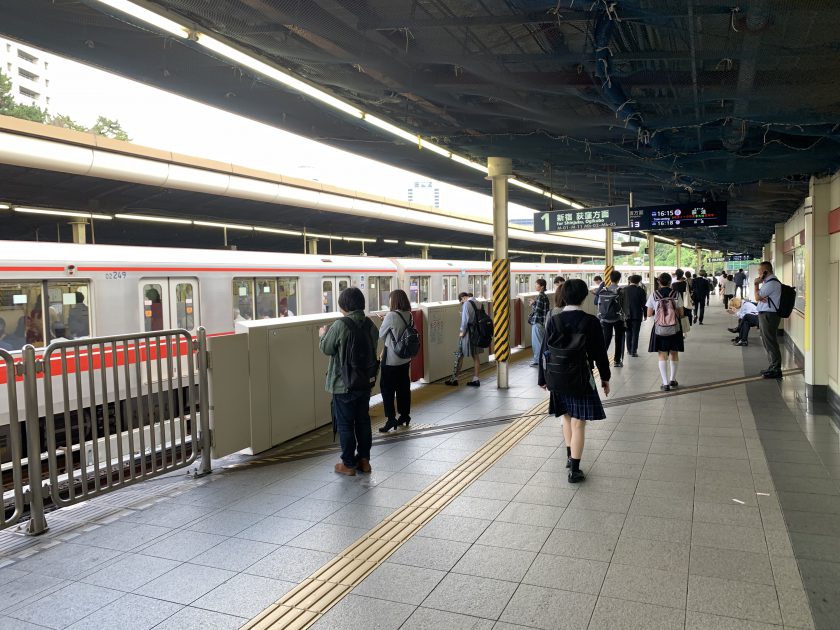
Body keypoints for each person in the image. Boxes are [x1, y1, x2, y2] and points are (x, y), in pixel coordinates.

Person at [538, 279, 611, 484]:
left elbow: (545, 351)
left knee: (567, 418)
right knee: (580, 423)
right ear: (583, 296)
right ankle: (575, 470)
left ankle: (570, 459)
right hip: (581, 377)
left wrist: (542, 379)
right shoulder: (590, 321)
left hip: (558, 377)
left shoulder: (554, 319)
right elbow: (599, 353)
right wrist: (605, 377)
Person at [319, 287, 379, 476]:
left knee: (345, 424)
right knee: (362, 421)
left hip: (343, 384)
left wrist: (322, 335)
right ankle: (364, 461)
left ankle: (348, 464)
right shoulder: (370, 324)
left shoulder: (340, 324)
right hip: (364, 382)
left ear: (344, 305)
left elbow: (327, 349)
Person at [377, 290, 413, 433]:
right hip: (405, 358)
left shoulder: (391, 315)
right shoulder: (409, 315)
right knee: (403, 387)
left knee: (387, 389)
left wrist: (384, 321)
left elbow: (381, 334)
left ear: (395, 301)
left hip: (391, 359)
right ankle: (404, 415)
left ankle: (391, 419)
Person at [647, 272, 685, 391]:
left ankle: (665, 383)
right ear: (670, 282)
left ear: (659, 282)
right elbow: (681, 313)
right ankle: (672, 380)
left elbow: (649, 314)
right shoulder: (676, 294)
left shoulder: (654, 295)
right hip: (675, 328)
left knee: (662, 354)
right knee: (674, 353)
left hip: (659, 329)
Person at [444, 292, 482, 387]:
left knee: (460, 354)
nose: (462, 303)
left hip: (468, 333)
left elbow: (465, 321)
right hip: (477, 333)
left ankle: (454, 379)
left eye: (461, 301)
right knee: (476, 356)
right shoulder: (478, 303)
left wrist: (462, 333)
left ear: (463, 298)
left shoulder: (466, 304)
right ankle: (476, 379)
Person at [754, 261, 783, 379]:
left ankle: (776, 369)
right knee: (768, 341)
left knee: (770, 342)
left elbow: (756, 297)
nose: (758, 275)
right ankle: (772, 367)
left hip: (769, 315)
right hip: (766, 314)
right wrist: (760, 295)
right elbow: (759, 297)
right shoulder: (768, 283)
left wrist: (756, 284)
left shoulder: (772, 283)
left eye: (760, 272)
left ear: (766, 272)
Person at [597, 270, 625, 367]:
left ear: (610, 278)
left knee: (606, 339)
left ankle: (602, 360)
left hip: (605, 318)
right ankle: (617, 361)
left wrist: (600, 316)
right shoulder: (620, 291)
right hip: (618, 318)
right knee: (619, 339)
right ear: (619, 279)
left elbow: (599, 304)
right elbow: (624, 306)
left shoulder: (603, 290)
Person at [623, 274, 647, 357]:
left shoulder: (624, 289)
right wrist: (645, 314)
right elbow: (644, 304)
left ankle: (629, 350)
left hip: (626, 315)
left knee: (628, 332)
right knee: (635, 333)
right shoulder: (641, 290)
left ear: (630, 280)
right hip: (637, 315)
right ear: (639, 281)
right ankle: (633, 351)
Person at [528, 278, 550, 367]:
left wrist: (533, 304)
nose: (535, 286)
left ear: (542, 286)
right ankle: (542, 359)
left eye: (537, 284)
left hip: (538, 323)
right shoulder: (544, 296)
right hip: (542, 323)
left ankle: (538, 360)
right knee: (540, 342)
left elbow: (538, 310)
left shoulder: (541, 296)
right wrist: (535, 302)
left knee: (537, 343)